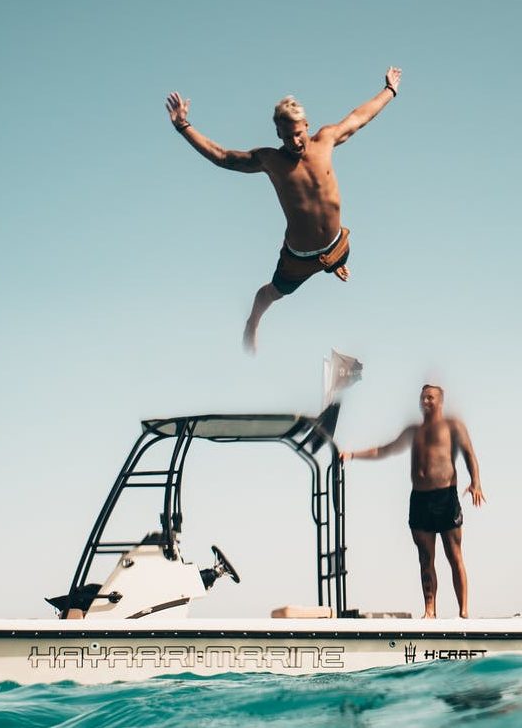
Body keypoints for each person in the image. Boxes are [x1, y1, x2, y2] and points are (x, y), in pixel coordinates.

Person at [165, 68, 402, 352]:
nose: (295, 142)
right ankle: (253, 321)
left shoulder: (326, 140)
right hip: (298, 258)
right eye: (287, 136)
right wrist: (183, 126)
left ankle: (334, 264)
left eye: (299, 134)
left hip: (338, 244)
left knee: (340, 259)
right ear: (278, 133)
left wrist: (390, 90)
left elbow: (360, 117)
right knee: (271, 294)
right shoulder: (270, 160)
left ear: (307, 125)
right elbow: (223, 157)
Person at [340, 384, 485, 618]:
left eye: (431, 397)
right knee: (425, 558)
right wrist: (353, 454)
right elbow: (384, 449)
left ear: (441, 400)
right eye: (423, 397)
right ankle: (430, 611)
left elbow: (469, 454)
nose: (425, 401)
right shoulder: (413, 431)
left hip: (446, 496)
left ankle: (463, 612)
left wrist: (476, 482)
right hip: (420, 499)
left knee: (454, 555)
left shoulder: (453, 426)